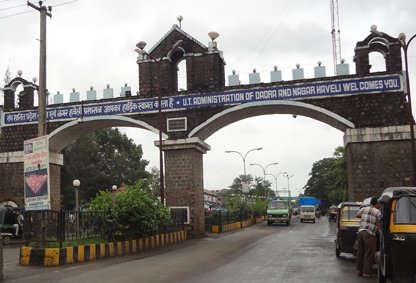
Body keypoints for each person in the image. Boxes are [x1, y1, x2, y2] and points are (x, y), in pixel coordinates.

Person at [355, 196, 381, 278]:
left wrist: (365, 218)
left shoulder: (364, 209)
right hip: (369, 234)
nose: (380, 205)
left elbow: (357, 215)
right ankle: (366, 272)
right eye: (379, 203)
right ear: (376, 203)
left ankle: (360, 270)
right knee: (369, 253)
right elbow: (380, 221)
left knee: (360, 252)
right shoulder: (377, 211)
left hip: (360, 232)